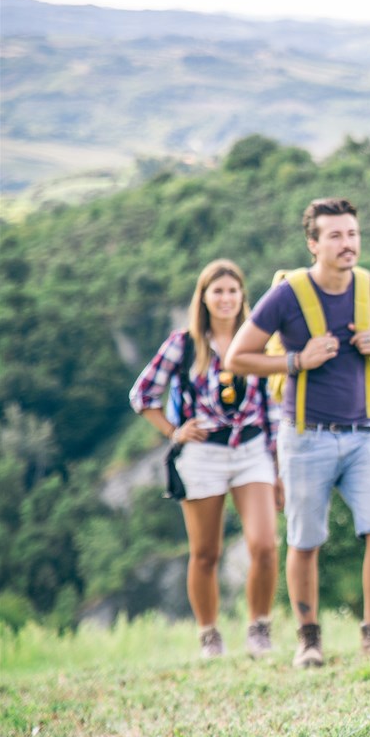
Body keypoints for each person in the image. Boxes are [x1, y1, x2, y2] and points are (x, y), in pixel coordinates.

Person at [225, 198, 370, 668]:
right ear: (313, 244)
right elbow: (237, 358)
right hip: (305, 436)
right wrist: (296, 361)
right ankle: (309, 640)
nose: (348, 244)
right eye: (335, 236)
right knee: (305, 541)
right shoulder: (287, 295)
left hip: (364, 434)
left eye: (352, 234)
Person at [129, 259, 280, 659]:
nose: (227, 298)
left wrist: (279, 465)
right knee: (205, 552)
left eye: (233, 291)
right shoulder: (184, 343)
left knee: (264, 544)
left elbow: (274, 406)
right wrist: (174, 431)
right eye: (218, 291)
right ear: (204, 297)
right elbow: (142, 394)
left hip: (252, 449)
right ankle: (209, 634)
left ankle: (259, 628)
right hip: (202, 452)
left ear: (243, 296)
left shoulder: (258, 339)